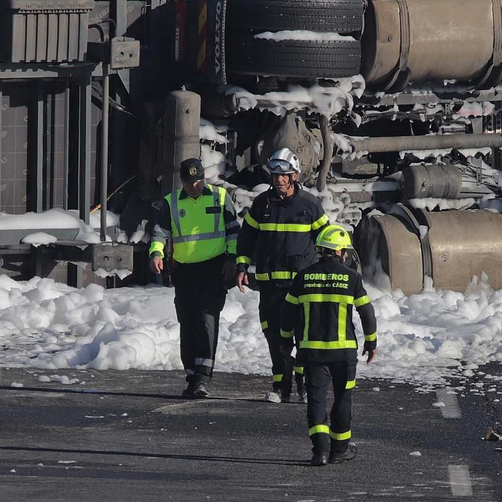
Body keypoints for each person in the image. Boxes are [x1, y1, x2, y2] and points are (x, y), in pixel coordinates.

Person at [235, 148, 328, 403]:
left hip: (301, 287)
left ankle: (305, 386)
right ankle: (280, 388)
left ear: (294, 176)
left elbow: (326, 241)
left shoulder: (309, 205)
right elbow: (246, 238)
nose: (279, 180)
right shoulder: (261, 204)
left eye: (284, 175)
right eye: (275, 175)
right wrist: (242, 267)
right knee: (275, 338)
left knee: (303, 337)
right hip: (270, 287)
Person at [280, 224, 377, 466]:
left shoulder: (303, 277)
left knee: (316, 400)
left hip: (312, 353)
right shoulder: (352, 278)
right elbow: (366, 311)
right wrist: (371, 341)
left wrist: (285, 340)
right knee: (343, 399)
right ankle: (339, 451)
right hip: (343, 353)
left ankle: (320, 451)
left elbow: (287, 313)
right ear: (340, 252)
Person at [148, 157, 240, 399]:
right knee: (187, 321)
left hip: (213, 268)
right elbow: (160, 233)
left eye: (198, 181)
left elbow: (233, 231)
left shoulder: (220, 197)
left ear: (204, 178)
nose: (195, 187)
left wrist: (232, 259)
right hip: (186, 271)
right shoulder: (172, 202)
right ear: (182, 181)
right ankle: (191, 374)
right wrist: (156, 253)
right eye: (190, 183)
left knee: (207, 320)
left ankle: (203, 376)